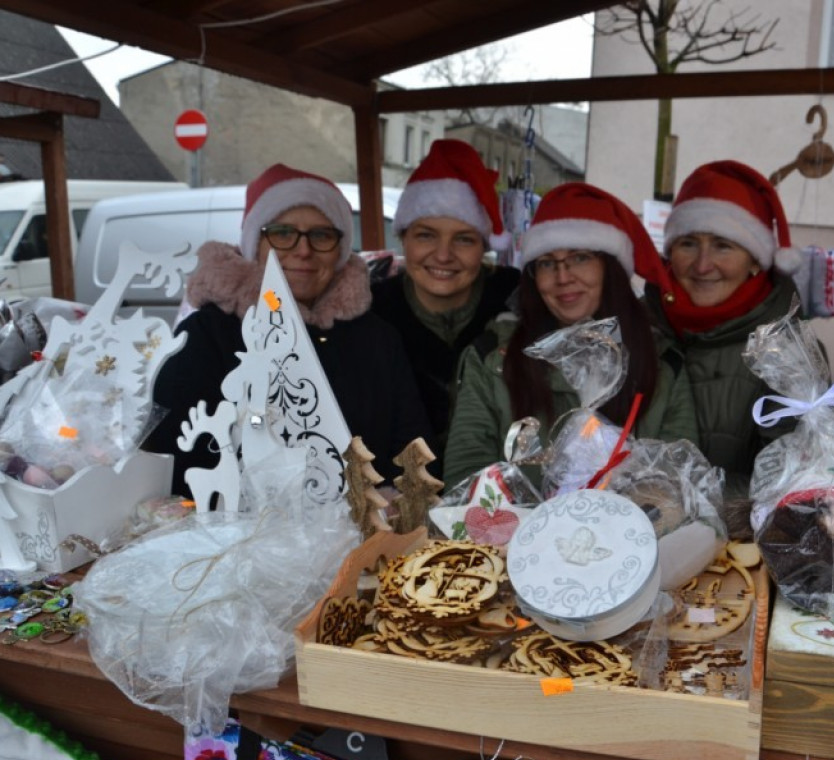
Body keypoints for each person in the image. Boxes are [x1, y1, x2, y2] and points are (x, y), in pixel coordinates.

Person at [147, 163, 433, 496]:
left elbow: (411, 443)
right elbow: (171, 455)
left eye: (321, 235)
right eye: (282, 233)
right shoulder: (208, 335)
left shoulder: (377, 339)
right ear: (257, 244)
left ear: (340, 249)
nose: (303, 250)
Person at [443, 182, 697, 489]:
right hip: (512, 536)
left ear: (610, 268)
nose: (563, 277)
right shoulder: (492, 360)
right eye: (547, 263)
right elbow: (466, 475)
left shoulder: (662, 364)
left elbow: (677, 484)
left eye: (579, 258)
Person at [634, 160, 803, 503]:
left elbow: (784, 481)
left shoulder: (786, 352)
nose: (702, 264)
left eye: (723, 245)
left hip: (735, 549)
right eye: (688, 244)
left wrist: (678, 505)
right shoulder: (637, 328)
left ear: (755, 259)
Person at [372, 139, 519, 467]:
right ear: (403, 238)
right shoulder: (372, 312)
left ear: (484, 247)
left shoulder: (519, 305)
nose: (442, 255)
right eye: (426, 235)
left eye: (464, 239)